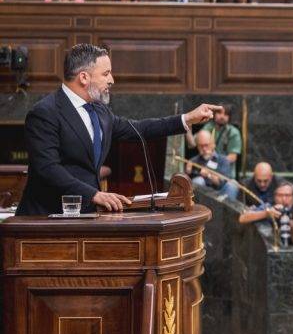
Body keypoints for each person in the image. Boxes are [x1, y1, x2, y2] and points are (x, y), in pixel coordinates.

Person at [17, 43, 220, 215]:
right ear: (84, 77)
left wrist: (186, 119)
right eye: (106, 74)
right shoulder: (45, 113)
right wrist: (94, 195)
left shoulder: (100, 111)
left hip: (85, 216)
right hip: (44, 220)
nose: (112, 80)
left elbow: (140, 128)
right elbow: (48, 169)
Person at [185, 103, 242, 178]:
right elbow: (192, 144)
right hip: (204, 174)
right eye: (219, 113)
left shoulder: (233, 132)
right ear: (214, 114)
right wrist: (187, 127)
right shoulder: (209, 127)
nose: (222, 116)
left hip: (224, 173)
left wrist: (213, 165)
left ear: (229, 117)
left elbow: (232, 157)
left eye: (226, 114)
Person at [186, 130, 239, 201]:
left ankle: (226, 210)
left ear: (213, 144)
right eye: (201, 146)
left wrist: (209, 175)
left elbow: (222, 182)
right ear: (197, 146)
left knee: (233, 184)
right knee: (198, 181)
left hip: (221, 194)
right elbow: (186, 185)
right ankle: (200, 210)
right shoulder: (193, 161)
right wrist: (187, 172)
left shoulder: (223, 160)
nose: (204, 149)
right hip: (203, 196)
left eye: (206, 145)